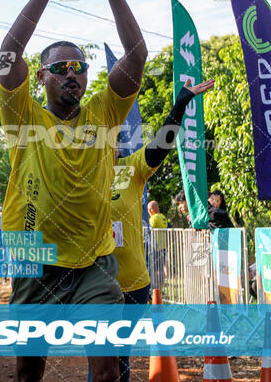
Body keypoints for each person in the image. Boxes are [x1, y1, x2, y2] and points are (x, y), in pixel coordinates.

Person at [0, 0, 148, 382]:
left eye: (78, 67)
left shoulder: (105, 110)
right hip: (34, 256)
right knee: (29, 372)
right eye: (60, 68)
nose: (71, 74)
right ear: (41, 77)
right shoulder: (25, 116)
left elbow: (137, 57)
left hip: (94, 262)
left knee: (105, 369)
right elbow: (8, 56)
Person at [109, 77, 214, 381]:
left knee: (119, 354)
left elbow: (161, 144)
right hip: (94, 284)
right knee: (103, 356)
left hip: (132, 284)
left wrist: (180, 103)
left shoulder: (130, 169)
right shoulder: (82, 177)